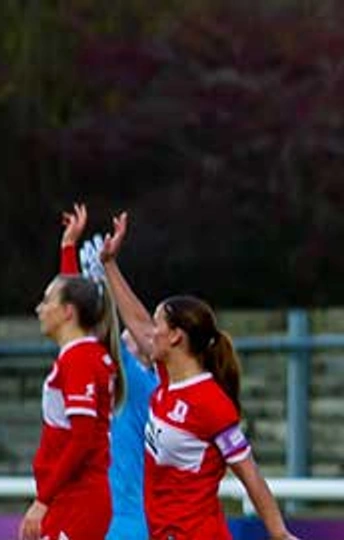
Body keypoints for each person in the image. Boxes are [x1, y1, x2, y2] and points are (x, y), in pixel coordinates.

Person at [99, 211, 300, 540]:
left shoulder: (210, 403)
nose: (151, 332)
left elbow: (250, 474)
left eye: (159, 323)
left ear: (176, 336)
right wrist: (110, 264)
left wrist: (279, 532)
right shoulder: (166, 378)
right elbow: (136, 321)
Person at [19, 206, 123, 540]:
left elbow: (81, 438)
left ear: (66, 313)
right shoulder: (82, 352)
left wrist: (42, 499)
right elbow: (77, 298)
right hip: (72, 498)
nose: (39, 308)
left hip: (76, 501)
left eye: (45, 301)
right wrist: (68, 247)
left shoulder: (79, 360)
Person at [56, 203, 158, 540]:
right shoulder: (101, 380)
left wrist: (96, 278)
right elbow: (79, 331)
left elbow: (89, 327)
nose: (126, 341)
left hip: (126, 528)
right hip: (100, 523)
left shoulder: (145, 385)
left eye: (133, 341)